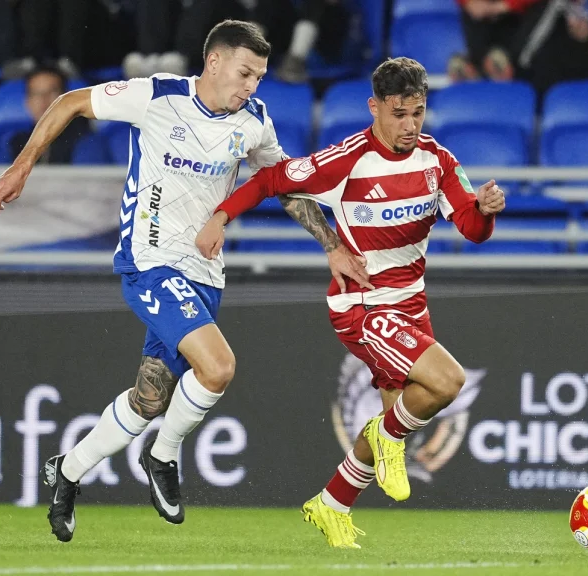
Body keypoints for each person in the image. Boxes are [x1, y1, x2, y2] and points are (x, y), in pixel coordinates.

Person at [0, 19, 370, 542]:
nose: (251, 86)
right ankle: (162, 455)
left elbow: (284, 185)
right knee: (218, 368)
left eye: (258, 77)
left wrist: (330, 246)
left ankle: (66, 472)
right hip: (149, 262)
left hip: (204, 274)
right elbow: (71, 102)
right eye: (244, 73)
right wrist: (22, 167)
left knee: (150, 398)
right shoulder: (157, 96)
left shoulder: (254, 122)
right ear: (214, 62)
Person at [195, 57, 507, 549]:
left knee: (403, 412)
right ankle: (386, 438)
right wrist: (220, 216)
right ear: (375, 107)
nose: (409, 125)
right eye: (399, 113)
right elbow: (269, 180)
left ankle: (332, 503)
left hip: (411, 305)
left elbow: (471, 228)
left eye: (418, 114)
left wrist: (485, 212)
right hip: (362, 306)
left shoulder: (439, 162)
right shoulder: (347, 160)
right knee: (448, 382)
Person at [8, 67, 91, 165]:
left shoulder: (85, 140)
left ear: (67, 99)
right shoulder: (17, 142)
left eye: (52, 92)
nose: (43, 100)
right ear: (27, 101)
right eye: (36, 93)